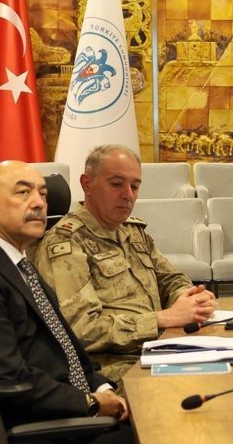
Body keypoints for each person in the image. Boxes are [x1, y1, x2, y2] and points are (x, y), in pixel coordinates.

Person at [0, 161, 136, 444]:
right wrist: (91, 403)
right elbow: (9, 381)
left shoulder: (18, 261)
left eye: (43, 194)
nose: (38, 203)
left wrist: (102, 388)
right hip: (45, 439)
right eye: (23, 193)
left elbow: (65, 346)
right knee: (167, 436)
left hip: (74, 414)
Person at [32, 145, 217, 383]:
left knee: (228, 373)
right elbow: (80, 329)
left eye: (135, 186)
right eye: (116, 184)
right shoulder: (65, 242)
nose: (128, 194)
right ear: (87, 184)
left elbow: (171, 279)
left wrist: (189, 299)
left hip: (160, 348)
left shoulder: (132, 231)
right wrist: (161, 319)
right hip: (115, 367)